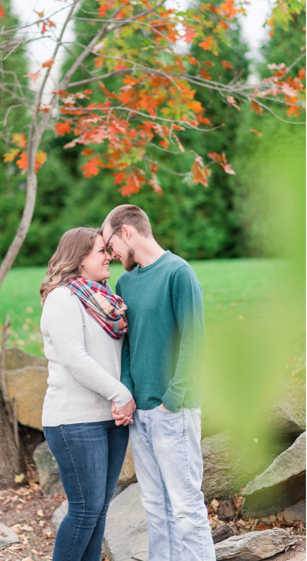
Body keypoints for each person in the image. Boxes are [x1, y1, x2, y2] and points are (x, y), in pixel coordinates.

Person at [103, 204, 215, 561]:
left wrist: (173, 399)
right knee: (154, 507)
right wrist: (126, 393)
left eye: (109, 245)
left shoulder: (178, 273)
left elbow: (194, 341)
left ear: (127, 232)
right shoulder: (125, 283)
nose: (110, 254)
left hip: (173, 411)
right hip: (140, 414)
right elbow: (127, 346)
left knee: (185, 508)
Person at [39, 227, 136, 561]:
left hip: (111, 418)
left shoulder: (105, 299)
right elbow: (75, 359)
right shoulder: (62, 298)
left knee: (98, 511)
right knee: (84, 511)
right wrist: (121, 393)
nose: (109, 256)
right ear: (80, 258)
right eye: (100, 251)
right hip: (74, 421)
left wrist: (121, 399)